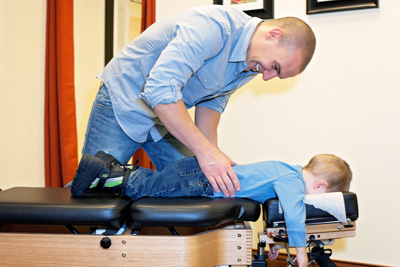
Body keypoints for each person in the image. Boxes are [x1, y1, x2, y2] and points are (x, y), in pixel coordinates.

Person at [82, 5, 316, 198]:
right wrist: (206, 153)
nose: (267, 77)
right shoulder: (214, 27)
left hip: (168, 114)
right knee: (90, 187)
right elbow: (160, 91)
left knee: (196, 184)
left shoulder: (252, 62)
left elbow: (211, 103)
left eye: (277, 75)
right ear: (273, 35)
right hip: (125, 101)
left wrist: (213, 155)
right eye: (275, 67)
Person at [71, 152, 351, 267]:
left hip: (199, 172)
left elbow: (272, 211)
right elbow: (293, 213)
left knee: (153, 182)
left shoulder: (286, 170)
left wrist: (272, 242)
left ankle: (110, 165)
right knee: (144, 187)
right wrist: (301, 251)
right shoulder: (292, 181)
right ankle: (103, 172)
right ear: (320, 186)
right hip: (202, 179)